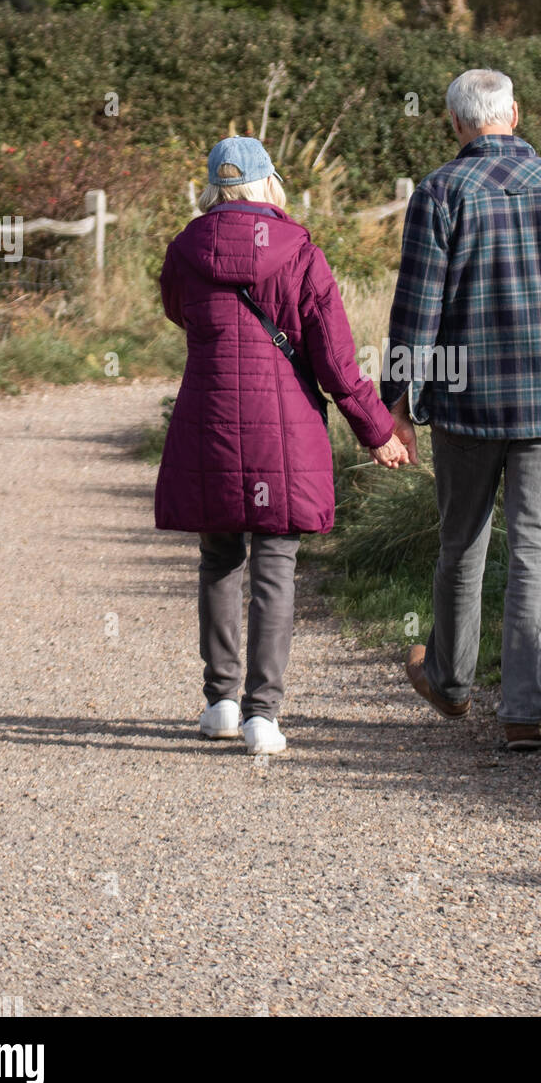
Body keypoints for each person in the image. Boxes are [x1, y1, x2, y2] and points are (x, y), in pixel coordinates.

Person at [380, 69, 541, 751]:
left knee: (461, 543)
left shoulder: (440, 192)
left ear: (456, 123)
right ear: (514, 113)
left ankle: (452, 686)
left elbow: (416, 313)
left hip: (466, 403)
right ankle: (522, 715)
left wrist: (396, 405)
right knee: (536, 555)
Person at [155, 136, 408, 754]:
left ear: (214, 188)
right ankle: (262, 714)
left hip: (210, 421)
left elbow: (178, 312)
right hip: (284, 428)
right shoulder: (299, 252)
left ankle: (219, 702)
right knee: (276, 565)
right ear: (270, 183)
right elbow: (336, 362)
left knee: (218, 557)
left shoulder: (186, 250)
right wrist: (378, 430)